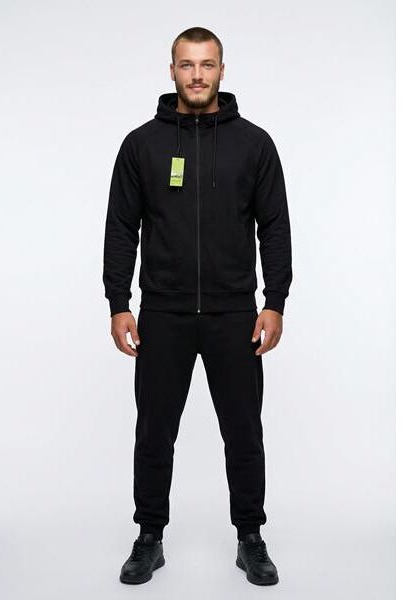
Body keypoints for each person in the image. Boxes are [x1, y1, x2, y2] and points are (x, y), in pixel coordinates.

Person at [103, 26, 293, 586]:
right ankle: (149, 537)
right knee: (154, 432)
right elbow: (122, 228)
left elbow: (274, 227)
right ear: (171, 71)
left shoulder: (254, 144)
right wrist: (119, 302)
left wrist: (275, 301)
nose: (197, 75)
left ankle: (250, 537)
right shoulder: (141, 145)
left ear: (222, 71)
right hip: (163, 313)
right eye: (186, 65)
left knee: (244, 431)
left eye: (207, 64)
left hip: (235, 314)